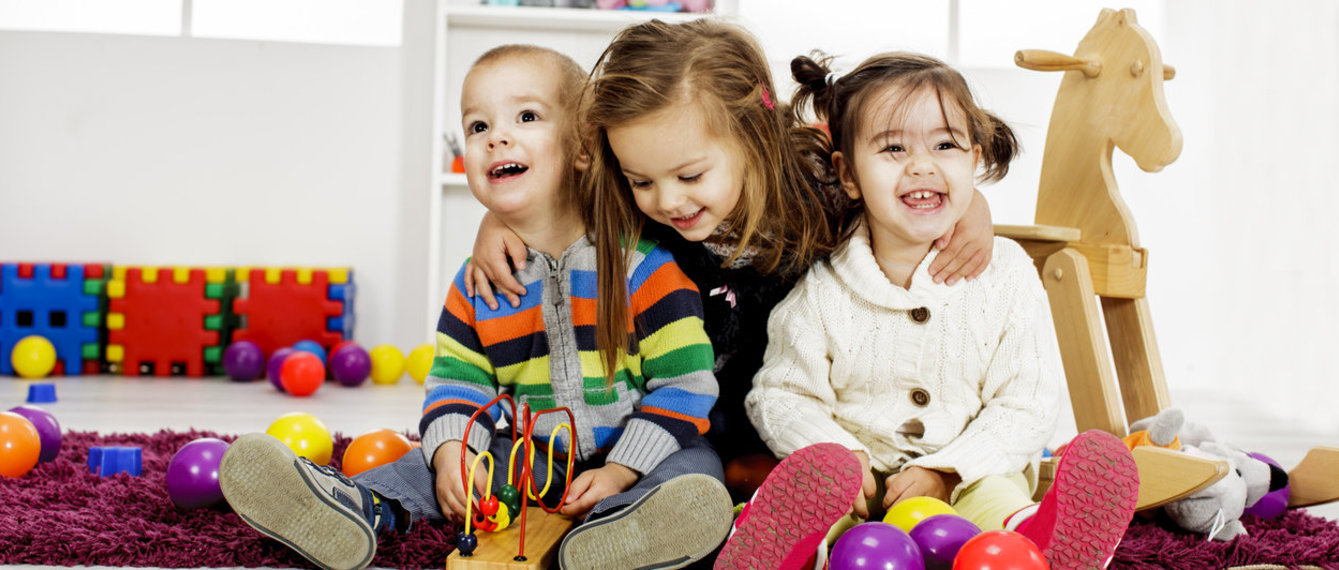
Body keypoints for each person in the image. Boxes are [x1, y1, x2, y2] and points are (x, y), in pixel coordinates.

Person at [219, 45, 734, 570]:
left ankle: (624, 531)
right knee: (425, 463)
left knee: (694, 469)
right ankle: (350, 507)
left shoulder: (642, 267)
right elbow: (457, 383)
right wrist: (453, 457)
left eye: (526, 116)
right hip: (533, 459)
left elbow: (686, 386)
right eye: (477, 126)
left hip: (642, 452)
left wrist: (622, 469)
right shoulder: (476, 284)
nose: (496, 137)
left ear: (583, 145)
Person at [464, 19, 999, 501]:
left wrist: (972, 204)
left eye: (691, 176)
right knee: (720, 478)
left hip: (809, 402)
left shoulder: (817, 184)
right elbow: (555, 200)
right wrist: (498, 222)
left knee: (776, 474)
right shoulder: (629, 202)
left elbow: (901, 178)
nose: (668, 200)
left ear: (753, 138)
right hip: (692, 413)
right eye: (642, 180)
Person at [717, 52, 1140, 570]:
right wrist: (837, 456)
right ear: (847, 175)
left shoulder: (1005, 275)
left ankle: (1043, 541)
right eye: (893, 147)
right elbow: (781, 395)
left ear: (974, 160)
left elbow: (1026, 402)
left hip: (973, 475)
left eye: (945, 145)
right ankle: (772, 544)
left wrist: (948, 470)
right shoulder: (824, 288)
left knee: (999, 510)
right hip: (859, 484)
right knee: (824, 519)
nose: (922, 164)